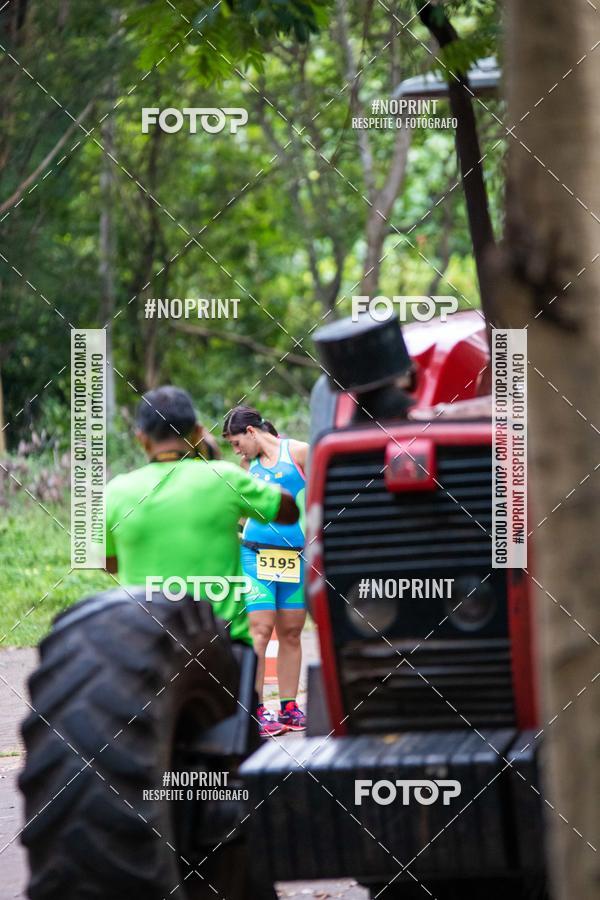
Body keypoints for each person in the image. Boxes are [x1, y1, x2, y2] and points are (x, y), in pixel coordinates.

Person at [105, 386, 299, 698]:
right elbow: (288, 511)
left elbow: (108, 563)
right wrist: (218, 464)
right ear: (197, 433)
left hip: (149, 642)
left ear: (141, 438)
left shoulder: (116, 491)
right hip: (224, 646)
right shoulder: (225, 477)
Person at [223, 405, 309, 737]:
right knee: (259, 633)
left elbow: (322, 494)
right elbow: (239, 511)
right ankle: (256, 709)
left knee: (291, 632)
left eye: (236, 443)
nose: (236, 451)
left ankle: (289, 707)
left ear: (251, 432)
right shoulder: (247, 466)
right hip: (254, 556)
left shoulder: (299, 452)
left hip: (294, 557)